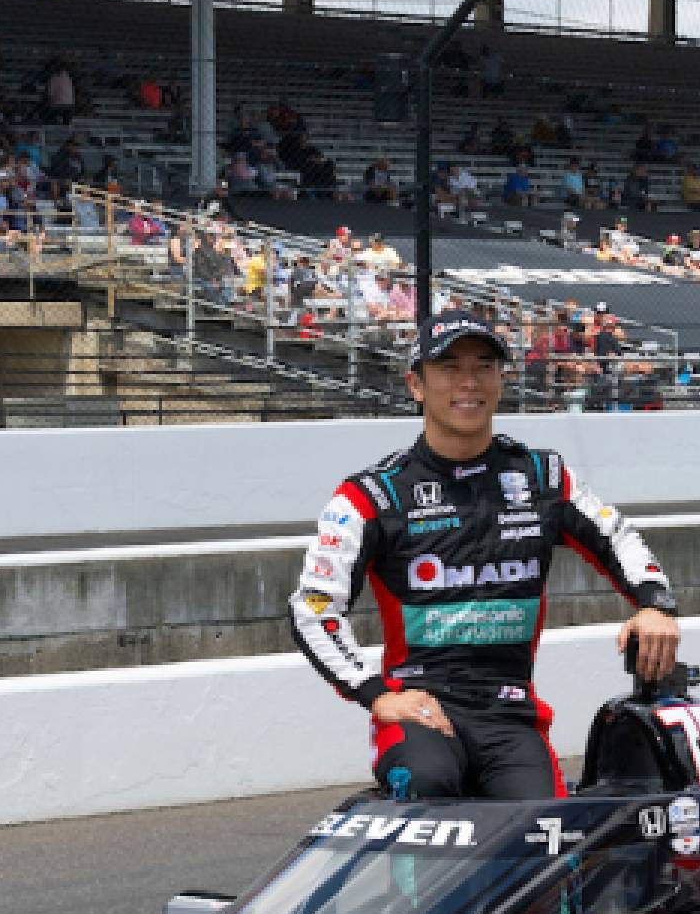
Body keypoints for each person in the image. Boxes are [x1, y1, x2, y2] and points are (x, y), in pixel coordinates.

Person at [289, 311, 680, 802]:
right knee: (427, 784)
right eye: (449, 367)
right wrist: (377, 695)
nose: (468, 382)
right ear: (417, 384)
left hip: (511, 714)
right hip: (421, 712)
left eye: (484, 366)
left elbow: (619, 536)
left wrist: (655, 605)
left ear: (501, 379)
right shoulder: (372, 495)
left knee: (547, 830)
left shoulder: (544, 477)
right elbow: (313, 607)